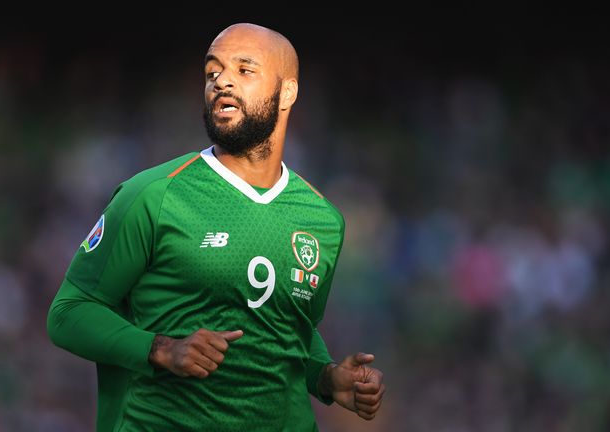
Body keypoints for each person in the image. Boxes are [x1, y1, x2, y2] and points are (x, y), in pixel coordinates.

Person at [47, 23, 385, 431]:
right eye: (212, 72)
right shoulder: (154, 195)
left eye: (244, 70)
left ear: (288, 92)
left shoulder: (322, 220)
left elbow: (291, 330)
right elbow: (68, 313)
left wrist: (326, 377)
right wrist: (159, 348)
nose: (221, 81)